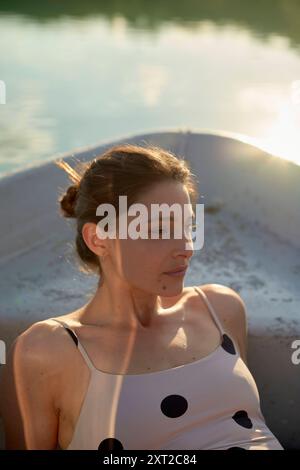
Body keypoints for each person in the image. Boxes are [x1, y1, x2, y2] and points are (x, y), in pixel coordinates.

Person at [0, 144, 284, 450]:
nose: (186, 246)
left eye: (188, 228)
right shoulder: (47, 350)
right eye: (160, 229)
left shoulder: (219, 308)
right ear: (99, 239)